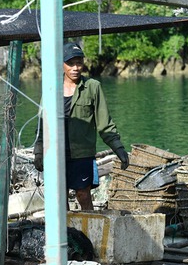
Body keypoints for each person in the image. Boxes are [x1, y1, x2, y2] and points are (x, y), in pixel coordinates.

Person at [33, 42, 129, 210]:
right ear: (61, 65)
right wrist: (39, 152)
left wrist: (119, 149)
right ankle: (67, 235)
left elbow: (104, 123)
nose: (75, 68)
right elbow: (42, 126)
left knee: (83, 195)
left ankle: (88, 235)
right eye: (70, 63)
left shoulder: (93, 87)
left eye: (79, 63)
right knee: (59, 199)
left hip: (82, 155)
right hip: (56, 154)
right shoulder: (50, 88)